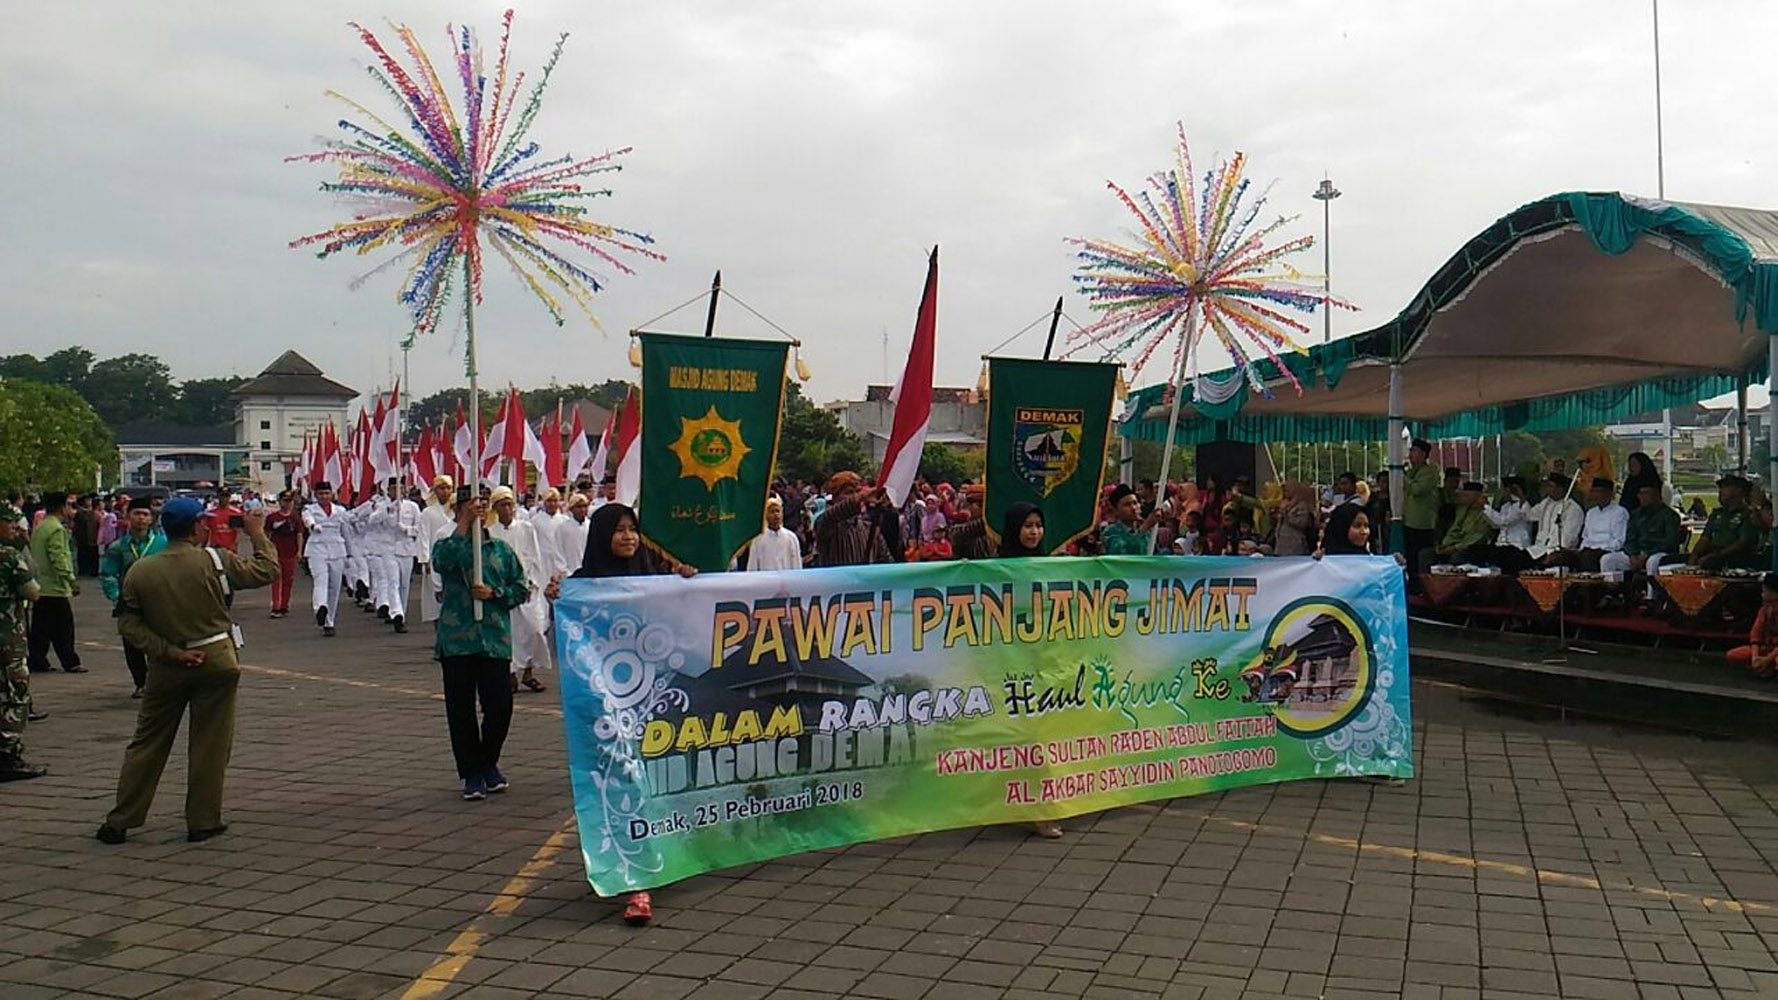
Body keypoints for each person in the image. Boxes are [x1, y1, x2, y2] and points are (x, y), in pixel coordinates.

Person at [95, 498, 278, 845]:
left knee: (147, 743)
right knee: (210, 744)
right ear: (195, 526)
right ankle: (203, 819)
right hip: (217, 658)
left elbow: (128, 625)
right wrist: (257, 534)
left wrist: (171, 653)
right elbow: (268, 570)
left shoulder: (142, 570)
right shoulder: (215, 560)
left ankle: (120, 820)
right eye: (203, 522)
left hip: (166, 665)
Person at [570, 502, 697, 925]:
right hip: (605, 707)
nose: (627, 537)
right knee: (623, 783)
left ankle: (663, 856)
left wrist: (687, 584)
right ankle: (638, 882)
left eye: (633, 529)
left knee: (658, 781)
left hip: (655, 702)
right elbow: (569, 636)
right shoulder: (581, 586)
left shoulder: (656, 581)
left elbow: (685, 624)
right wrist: (558, 595)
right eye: (618, 530)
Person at [430, 490, 531, 805]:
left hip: (494, 638)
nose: (478, 510)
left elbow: (521, 588)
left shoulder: (500, 550)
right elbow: (442, 563)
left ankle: (488, 760)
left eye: (481, 506)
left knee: (500, 707)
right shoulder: (448, 545)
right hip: (457, 640)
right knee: (460, 711)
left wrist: (494, 593)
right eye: (470, 505)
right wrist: (463, 524)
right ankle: (471, 771)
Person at [100, 498, 167, 698]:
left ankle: (159, 681)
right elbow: (109, 574)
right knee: (132, 644)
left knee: (159, 642)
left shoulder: (162, 543)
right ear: (128, 517)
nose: (141, 518)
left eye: (145, 514)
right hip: (128, 601)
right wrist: (115, 596)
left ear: (151, 519)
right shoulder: (118, 547)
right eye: (136, 513)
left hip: (158, 600)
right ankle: (141, 682)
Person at [488, 487, 551, 693]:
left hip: (526, 587)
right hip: (502, 590)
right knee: (509, 633)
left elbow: (534, 556)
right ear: (495, 508)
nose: (508, 509)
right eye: (503, 505)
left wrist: (533, 582)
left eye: (510, 504)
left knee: (535, 630)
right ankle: (511, 674)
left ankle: (529, 672)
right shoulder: (490, 532)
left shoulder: (526, 528)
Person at [0, 501, 47, 781]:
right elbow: (33, 592)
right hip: (8, 639)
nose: (15, 527)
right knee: (15, 695)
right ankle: (8, 755)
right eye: (9, 522)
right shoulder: (8, 556)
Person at [27, 491, 84, 674]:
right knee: (63, 627)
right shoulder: (57, 529)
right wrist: (70, 579)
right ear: (62, 507)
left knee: (41, 627)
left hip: (40, 584)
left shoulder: (41, 527)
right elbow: (58, 557)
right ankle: (70, 661)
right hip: (54, 586)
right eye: (69, 505)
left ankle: (37, 659)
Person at [1602, 483, 1683, 582]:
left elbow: (1670, 542)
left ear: (1656, 495)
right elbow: (1630, 539)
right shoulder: (1636, 514)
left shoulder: (1669, 515)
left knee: (1652, 562)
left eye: (1644, 493)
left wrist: (1646, 554)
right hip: (1637, 554)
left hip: (1660, 554)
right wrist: (1632, 555)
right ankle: (1612, 593)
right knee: (1608, 560)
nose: (1640, 496)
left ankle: (1652, 595)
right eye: (1639, 493)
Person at [813, 472, 892, 567]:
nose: (855, 496)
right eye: (849, 492)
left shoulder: (870, 530)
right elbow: (830, 516)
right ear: (835, 497)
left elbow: (887, 564)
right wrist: (860, 497)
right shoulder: (826, 525)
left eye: (858, 491)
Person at [302, 483, 350, 637]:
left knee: (334, 587)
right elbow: (307, 519)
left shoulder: (340, 510)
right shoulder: (309, 509)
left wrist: (350, 554)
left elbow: (346, 533)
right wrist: (313, 525)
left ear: (332, 494)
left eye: (327, 493)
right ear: (315, 495)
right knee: (320, 581)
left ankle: (330, 621)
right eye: (321, 493)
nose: (324, 496)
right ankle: (320, 608)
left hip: (337, 549)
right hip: (317, 549)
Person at [1689, 475, 1764, 571]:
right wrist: (1695, 554)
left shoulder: (1747, 514)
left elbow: (1743, 543)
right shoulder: (1717, 514)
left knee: (1710, 564)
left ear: (1738, 490)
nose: (1721, 491)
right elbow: (1705, 538)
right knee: (1671, 560)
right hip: (1713, 552)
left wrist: (1715, 555)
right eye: (1720, 488)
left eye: (1725, 487)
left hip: (1735, 557)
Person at [1423, 482, 1493, 568]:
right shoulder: (1462, 510)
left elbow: (1476, 538)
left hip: (1471, 548)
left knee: (1457, 557)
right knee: (1426, 554)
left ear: (1476, 497)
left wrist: (1454, 548)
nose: (1461, 498)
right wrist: (1445, 545)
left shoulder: (1486, 514)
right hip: (1453, 545)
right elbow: (1454, 529)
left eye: (1465, 496)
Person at [418, 476, 457, 623]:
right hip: (434, 560)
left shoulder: (455, 511)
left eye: (448, 488)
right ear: (435, 491)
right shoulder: (428, 512)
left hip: (453, 558)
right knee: (435, 601)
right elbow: (424, 536)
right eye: (442, 488)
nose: (445, 492)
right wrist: (425, 559)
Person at [1400, 440, 1442, 578]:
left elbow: (1418, 490)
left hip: (1422, 523)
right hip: (1408, 521)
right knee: (1410, 558)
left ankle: (1422, 585)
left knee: (1422, 558)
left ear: (1424, 454)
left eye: (1414, 451)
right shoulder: (1411, 471)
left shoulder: (1430, 471)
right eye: (1411, 450)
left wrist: (1402, 477)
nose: (1411, 454)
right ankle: (1413, 585)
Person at [263, 492, 305, 619]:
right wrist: (266, 550)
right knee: (276, 579)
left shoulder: (295, 517)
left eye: (290, 501)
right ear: (280, 501)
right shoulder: (272, 518)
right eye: (285, 500)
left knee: (288, 580)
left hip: (290, 552)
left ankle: (284, 605)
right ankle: (276, 605)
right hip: (275, 552)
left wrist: (299, 551)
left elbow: (299, 534)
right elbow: (266, 535)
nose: (287, 503)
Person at [1727, 574, 1778, 678]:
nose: (1762, 595)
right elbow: (1756, 635)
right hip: (1767, 647)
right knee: (1733, 655)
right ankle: (1765, 669)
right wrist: (1755, 657)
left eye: (1764, 591)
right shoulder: (1764, 610)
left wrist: (1768, 659)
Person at [1101, 484, 1164, 555]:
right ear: (1116, 510)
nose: (1133, 508)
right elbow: (1122, 554)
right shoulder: (1110, 533)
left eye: (1135, 503)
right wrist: (1144, 528)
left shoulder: (1147, 533)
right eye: (1127, 505)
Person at [744, 496, 803, 572]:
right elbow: (753, 567)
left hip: (787, 581)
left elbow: (797, 564)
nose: (776, 514)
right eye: (772, 511)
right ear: (766, 515)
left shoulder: (791, 537)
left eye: (778, 511)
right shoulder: (758, 539)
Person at [1482, 477, 1534, 551]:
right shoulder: (1506, 506)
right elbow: (1496, 525)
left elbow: (1503, 521)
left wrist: (1485, 506)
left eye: (1505, 490)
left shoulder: (1523, 505)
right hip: (1502, 545)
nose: (1502, 493)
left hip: (1518, 546)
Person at [1272, 483, 1318, 557]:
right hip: (1282, 542)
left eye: (1288, 491)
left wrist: (1286, 516)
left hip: (1295, 542)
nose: (1285, 493)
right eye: (1284, 491)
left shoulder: (1302, 506)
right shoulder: (1285, 503)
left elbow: (1302, 523)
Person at [74, 495, 102, 578]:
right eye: (87, 500)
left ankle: (89, 570)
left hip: (91, 538)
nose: (89, 502)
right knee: (84, 554)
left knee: (91, 554)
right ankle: (84, 570)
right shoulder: (81, 513)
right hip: (84, 537)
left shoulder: (93, 513)